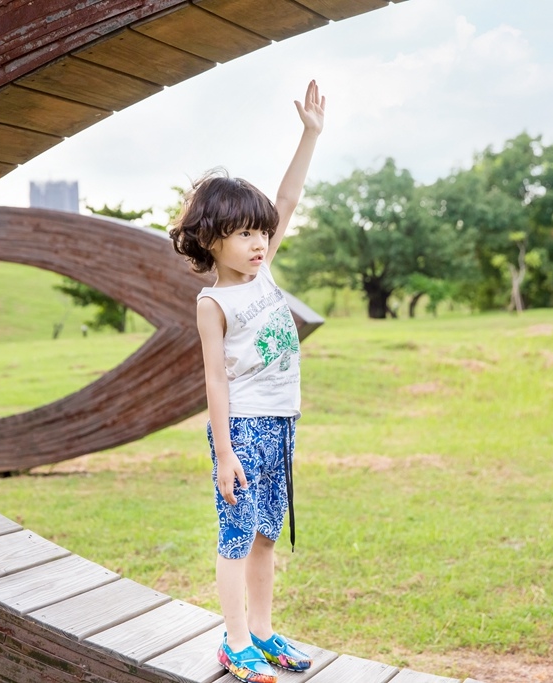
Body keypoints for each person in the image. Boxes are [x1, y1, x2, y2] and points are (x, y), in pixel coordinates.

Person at [169, 80, 325, 683]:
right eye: (244, 234)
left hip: (282, 424)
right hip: (243, 431)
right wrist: (226, 453)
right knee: (236, 537)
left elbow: (287, 195)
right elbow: (214, 382)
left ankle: (262, 633)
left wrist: (309, 133)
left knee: (265, 536)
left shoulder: (263, 272)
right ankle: (234, 643)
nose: (260, 242)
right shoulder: (215, 303)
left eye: (262, 232)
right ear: (210, 241)